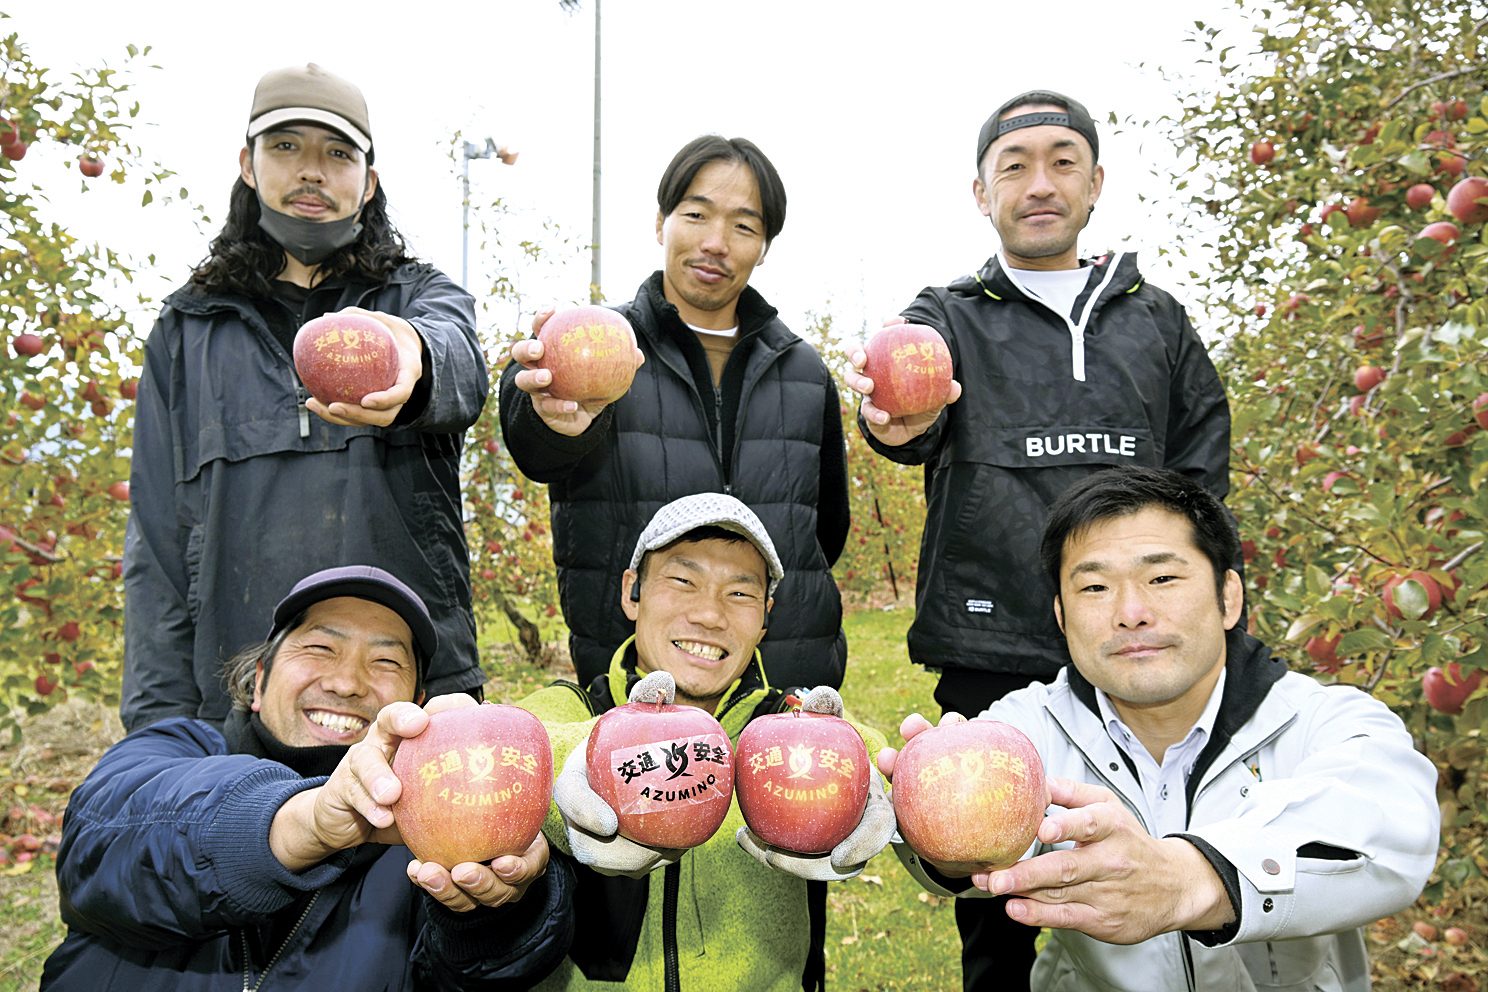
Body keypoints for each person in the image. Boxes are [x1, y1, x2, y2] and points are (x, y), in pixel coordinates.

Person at [844, 89, 1232, 989]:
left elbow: (1202, 479)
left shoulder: (1157, 320)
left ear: (1096, 183)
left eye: (1062, 161)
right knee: (999, 896)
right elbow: (907, 408)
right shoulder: (947, 314)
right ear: (981, 193)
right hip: (995, 643)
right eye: (1013, 166)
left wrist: (1201, 606)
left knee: (1159, 861)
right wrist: (895, 424)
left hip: (1140, 645)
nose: (1039, 183)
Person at [878, 467, 1439, 992]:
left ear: (1228, 598)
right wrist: (937, 837)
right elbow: (955, 845)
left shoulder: (1322, 719)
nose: (1131, 612)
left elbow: (1391, 828)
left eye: (1163, 577)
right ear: (1060, 617)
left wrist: (1191, 879)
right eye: (1094, 588)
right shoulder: (1023, 731)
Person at [122, 63, 488, 734]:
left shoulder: (416, 299)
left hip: (408, 696)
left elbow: (461, 363)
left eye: (337, 153)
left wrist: (414, 358)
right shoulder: (189, 329)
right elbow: (157, 546)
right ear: (249, 165)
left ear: (368, 181)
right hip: (236, 703)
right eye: (286, 147)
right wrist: (157, 728)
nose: (312, 171)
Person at [42, 565, 575, 991]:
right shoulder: (174, 749)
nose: (346, 682)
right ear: (258, 680)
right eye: (319, 648)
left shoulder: (420, 840)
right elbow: (101, 846)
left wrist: (496, 912)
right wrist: (305, 824)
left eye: (386, 662)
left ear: (414, 708)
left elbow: (476, 975)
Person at [499, 135, 850, 693]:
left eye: (743, 226)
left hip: (788, 680)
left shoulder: (802, 370)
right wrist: (548, 411)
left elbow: (826, 529)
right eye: (696, 214)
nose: (716, 242)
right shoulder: (600, 353)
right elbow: (535, 444)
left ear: (765, 246)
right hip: (634, 682)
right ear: (660, 223)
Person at [513, 493, 894, 991]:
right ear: (633, 592)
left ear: (765, 617)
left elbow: (873, 757)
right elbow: (531, 745)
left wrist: (866, 793)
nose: (710, 616)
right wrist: (592, 761)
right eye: (683, 581)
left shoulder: (785, 722)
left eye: (739, 594)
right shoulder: (580, 708)